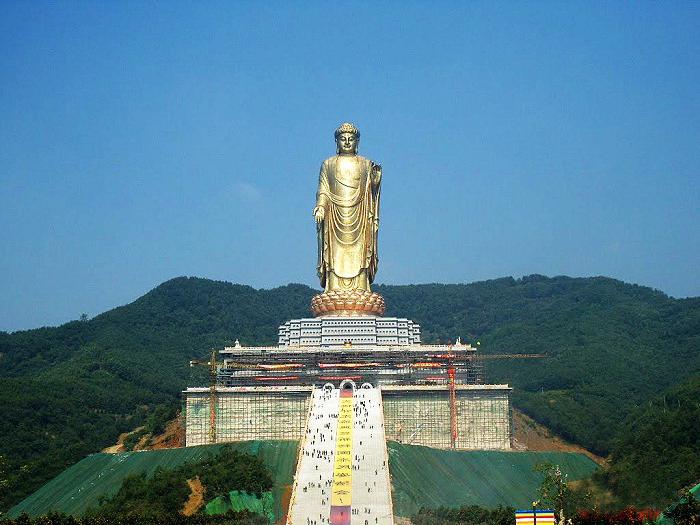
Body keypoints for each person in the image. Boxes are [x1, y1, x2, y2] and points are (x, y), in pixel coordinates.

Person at [314, 123, 382, 293]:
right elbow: (323, 190)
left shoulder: (365, 163)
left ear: (357, 142)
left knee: (361, 250)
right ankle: (333, 287)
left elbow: (371, 189)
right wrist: (321, 207)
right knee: (333, 253)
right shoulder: (328, 164)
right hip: (334, 217)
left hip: (360, 215)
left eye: (351, 139)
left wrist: (375, 181)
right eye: (342, 139)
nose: (346, 142)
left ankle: (361, 286)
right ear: (336, 142)